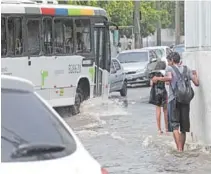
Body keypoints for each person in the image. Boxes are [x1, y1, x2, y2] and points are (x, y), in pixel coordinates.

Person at [152, 52, 199, 152]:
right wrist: (196, 75)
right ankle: (181, 149)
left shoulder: (170, 68)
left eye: (169, 61)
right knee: (184, 128)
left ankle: (179, 150)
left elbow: (169, 78)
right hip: (186, 101)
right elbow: (197, 83)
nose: (168, 63)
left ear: (172, 61)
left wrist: (158, 78)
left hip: (174, 100)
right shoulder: (187, 69)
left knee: (174, 126)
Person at [149, 61, 168, 135]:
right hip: (163, 92)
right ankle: (167, 129)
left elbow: (151, 84)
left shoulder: (154, 74)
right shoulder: (164, 73)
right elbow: (167, 83)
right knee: (165, 111)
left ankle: (159, 130)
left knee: (158, 110)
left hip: (156, 93)